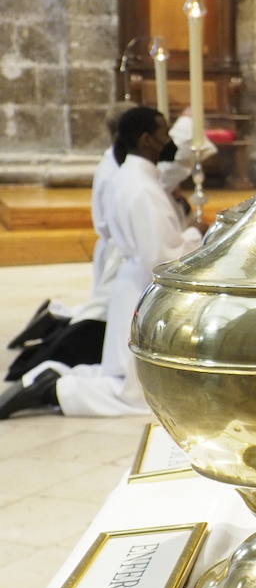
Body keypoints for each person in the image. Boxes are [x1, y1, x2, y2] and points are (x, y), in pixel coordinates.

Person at [0, 107, 207, 419]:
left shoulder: (129, 177)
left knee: (123, 374)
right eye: (164, 132)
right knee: (136, 395)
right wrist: (196, 235)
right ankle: (57, 388)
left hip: (130, 281)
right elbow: (160, 257)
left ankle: (55, 376)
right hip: (141, 286)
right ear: (146, 139)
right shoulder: (142, 188)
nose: (169, 139)